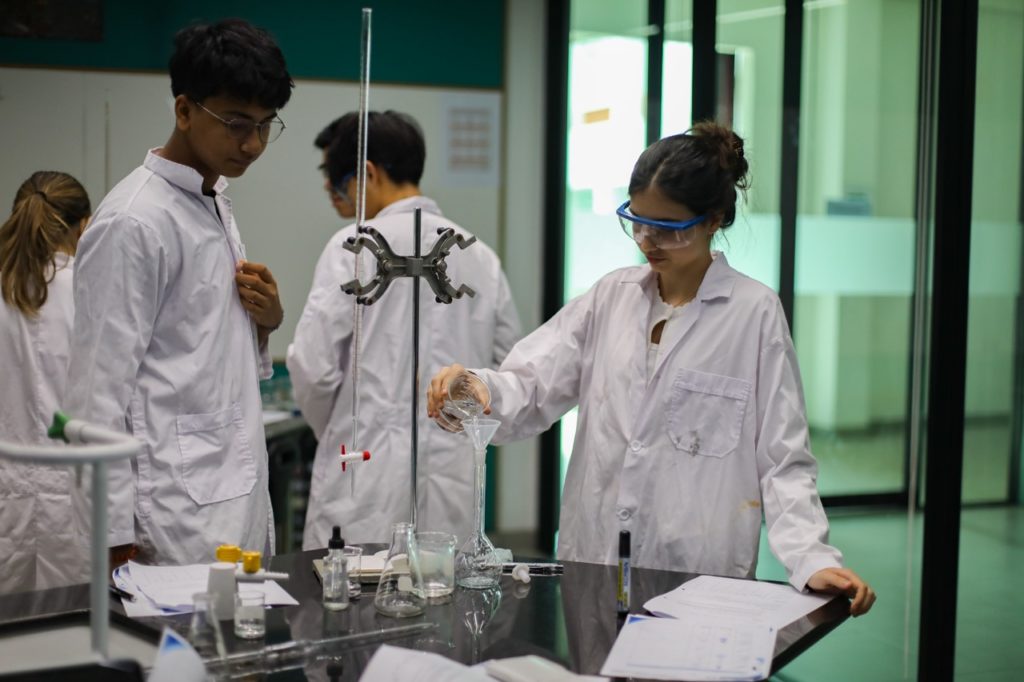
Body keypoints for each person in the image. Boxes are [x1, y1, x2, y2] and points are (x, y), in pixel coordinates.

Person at [428, 123, 876, 616]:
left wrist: (810, 557)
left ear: (714, 219)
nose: (648, 240)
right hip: (596, 557)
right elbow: (530, 385)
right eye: (637, 222)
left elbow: (782, 458)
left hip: (696, 571)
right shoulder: (611, 296)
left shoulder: (754, 313)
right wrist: (474, 387)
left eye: (668, 228)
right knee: (598, 653)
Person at [65, 19, 294, 567]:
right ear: (185, 110)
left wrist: (265, 322)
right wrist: (110, 536)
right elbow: (95, 395)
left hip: (229, 496)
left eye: (266, 124)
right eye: (236, 123)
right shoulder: (134, 221)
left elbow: (196, 353)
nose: (253, 144)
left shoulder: (211, 201)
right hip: (170, 519)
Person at [288, 110, 521, 549]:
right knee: (445, 585)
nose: (333, 194)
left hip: (363, 474)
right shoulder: (481, 257)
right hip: (452, 475)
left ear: (368, 173)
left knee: (354, 587)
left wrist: (346, 428)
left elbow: (313, 370)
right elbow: (506, 368)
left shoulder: (352, 247)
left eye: (337, 182)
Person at [0, 171, 91, 593]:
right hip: (76, 502)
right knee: (76, 623)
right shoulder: (91, 292)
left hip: (7, 499)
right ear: (85, 226)